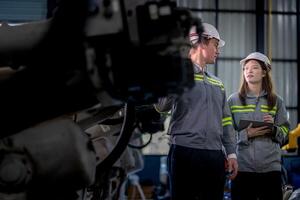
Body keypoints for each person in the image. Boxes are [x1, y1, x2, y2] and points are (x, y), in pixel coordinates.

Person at [154, 22, 238, 200]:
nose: (218, 51)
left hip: (215, 155)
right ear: (201, 42)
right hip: (185, 152)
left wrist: (231, 153)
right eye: (215, 44)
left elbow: (226, 121)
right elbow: (161, 106)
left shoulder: (217, 83)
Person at [227, 52, 290, 200]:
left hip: (271, 170)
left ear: (264, 72)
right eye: (246, 68)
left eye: (254, 67)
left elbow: (286, 133)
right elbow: (226, 134)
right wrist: (246, 134)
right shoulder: (233, 100)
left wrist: (273, 129)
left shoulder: (276, 101)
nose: (248, 71)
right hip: (242, 169)